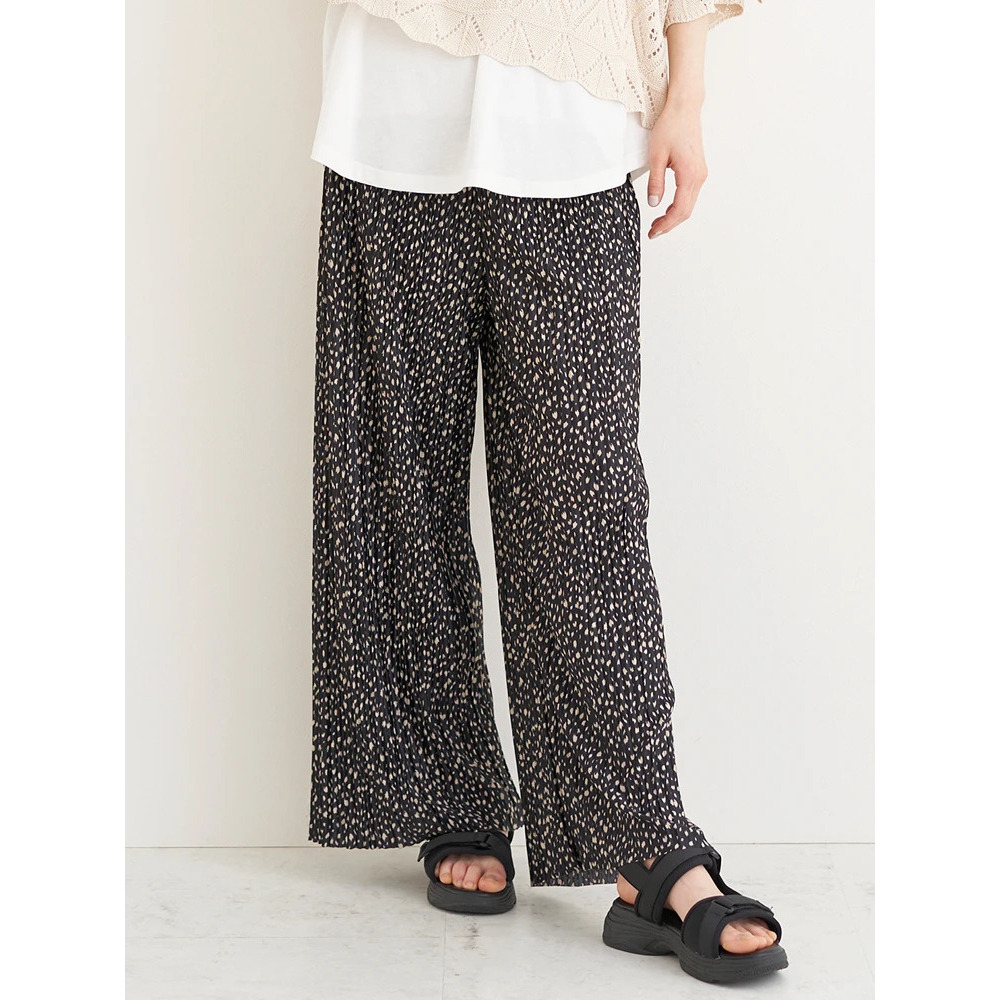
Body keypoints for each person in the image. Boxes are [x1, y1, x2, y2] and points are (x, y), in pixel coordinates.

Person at [307, 0, 787, 985]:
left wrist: (686, 95)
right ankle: (451, 795)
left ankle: (646, 841)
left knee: (585, 505)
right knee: (397, 491)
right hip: (391, 116)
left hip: (575, 122)